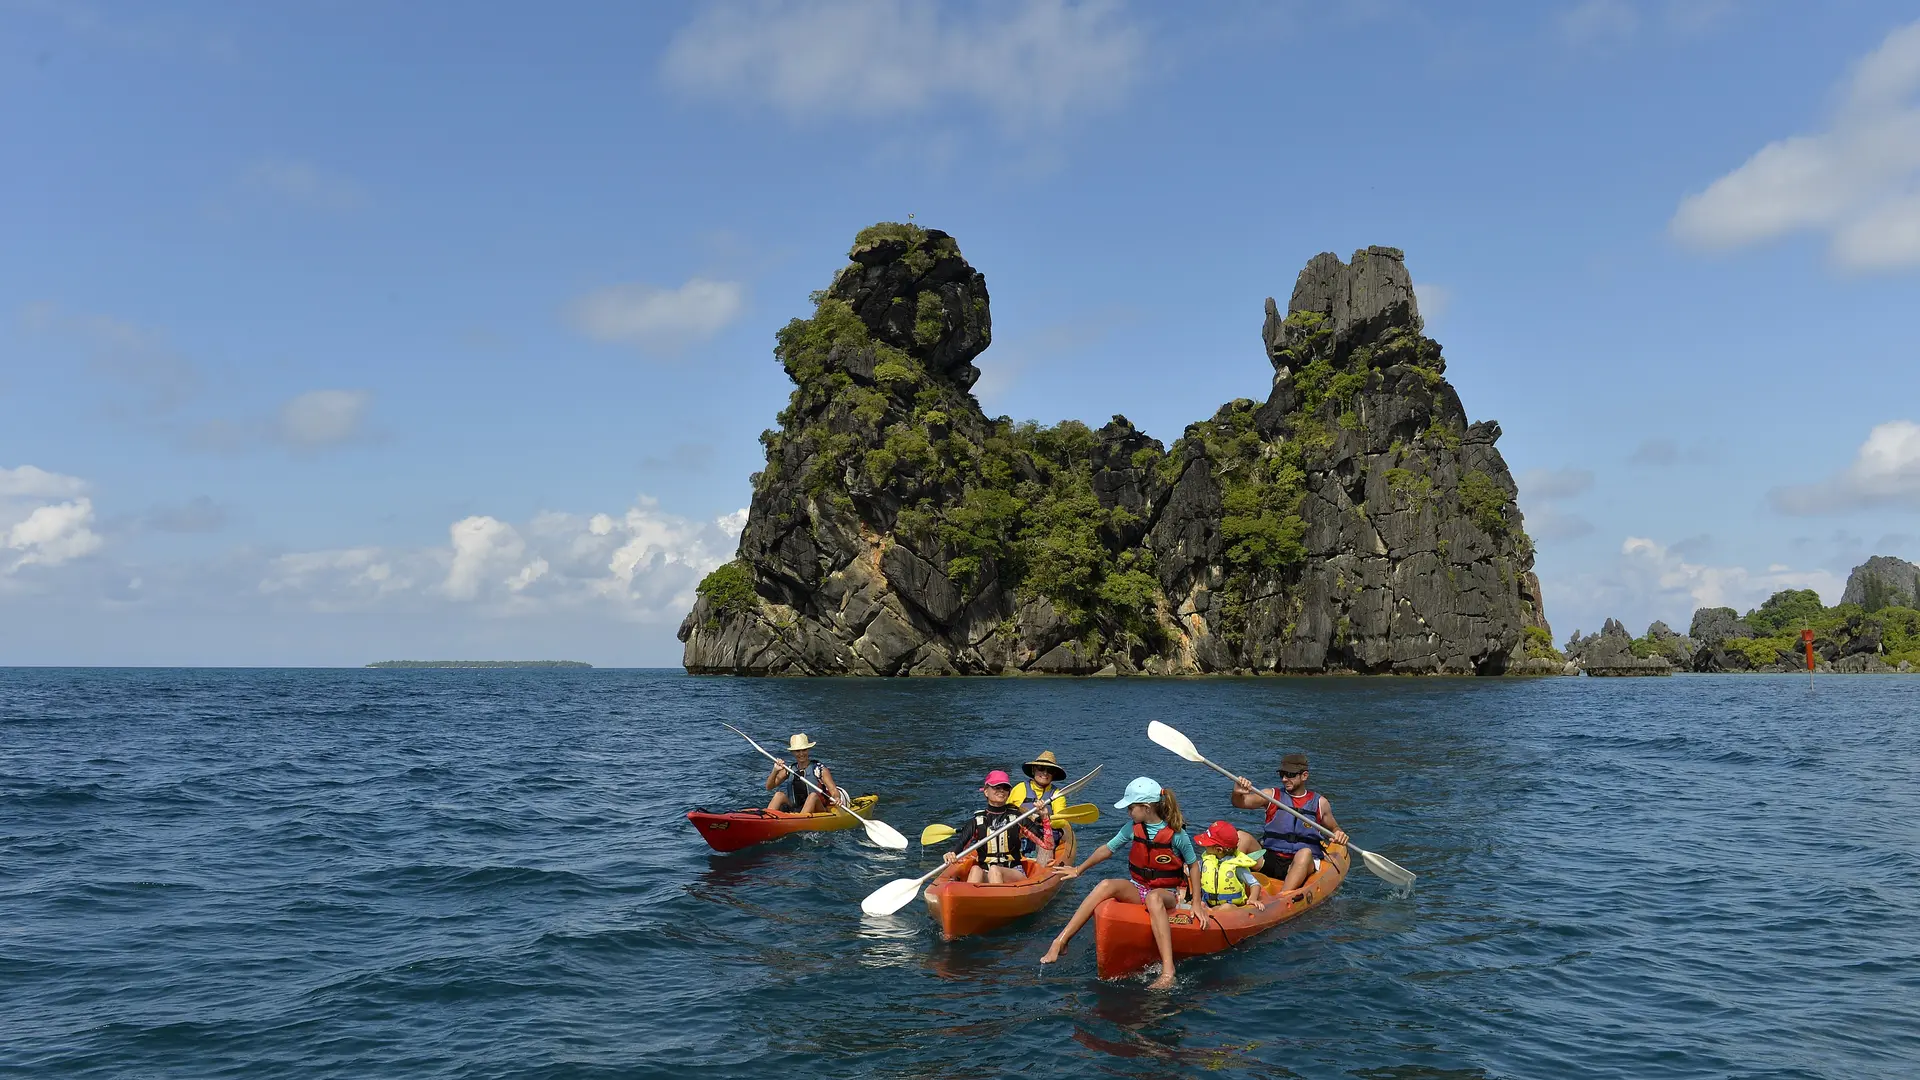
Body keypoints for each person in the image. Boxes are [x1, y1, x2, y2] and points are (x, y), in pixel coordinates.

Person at [1040, 777, 1202, 990]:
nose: (1128, 812)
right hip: (1139, 887)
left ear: (1146, 807)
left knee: (1154, 898)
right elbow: (1107, 849)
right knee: (1107, 884)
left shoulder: (1177, 834)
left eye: (1131, 807)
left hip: (1167, 893)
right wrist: (1078, 869)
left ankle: (1168, 972)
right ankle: (1061, 941)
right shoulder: (1132, 828)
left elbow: (1193, 866)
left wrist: (1197, 903)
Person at [1231, 752, 1349, 900]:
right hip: (1271, 858)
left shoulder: (1320, 803)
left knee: (1305, 853)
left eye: (1290, 775)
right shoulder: (1271, 796)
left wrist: (1339, 834)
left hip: (1301, 864)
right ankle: (1228, 887)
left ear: (1304, 776)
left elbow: (1334, 829)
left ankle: (1281, 899)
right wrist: (1237, 792)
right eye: (1282, 774)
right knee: (1241, 837)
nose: (1285, 779)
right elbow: (1240, 803)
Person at [944, 771, 1050, 884]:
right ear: (986, 791)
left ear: (1009, 793)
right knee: (975, 870)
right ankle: (971, 899)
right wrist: (951, 853)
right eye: (996, 787)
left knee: (995, 870)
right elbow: (961, 843)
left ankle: (997, 899)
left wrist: (1045, 817)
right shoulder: (977, 821)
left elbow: (1048, 844)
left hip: (1014, 872)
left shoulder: (1018, 818)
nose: (1001, 790)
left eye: (1005, 788)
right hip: (986, 871)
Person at [1195, 820, 1266, 912]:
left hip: (1231, 906)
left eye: (1208, 844)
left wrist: (1252, 899)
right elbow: (1193, 870)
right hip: (1208, 903)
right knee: (1197, 903)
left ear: (1219, 850)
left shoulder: (1237, 866)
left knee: (1226, 907)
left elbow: (1255, 884)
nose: (1204, 846)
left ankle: (1211, 913)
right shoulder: (1206, 861)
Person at [1016, 750, 1069, 866]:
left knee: (1045, 844)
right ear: (1034, 770)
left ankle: (1040, 869)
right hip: (1021, 834)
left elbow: (1061, 821)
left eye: (1049, 770)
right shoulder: (1020, 788)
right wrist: (1031, 816)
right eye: (1041, 768)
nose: (1045, 773)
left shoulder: (1057, 795)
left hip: (1045, 836)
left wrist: (1043, 818)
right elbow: (1009, 810)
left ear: (1053, 774)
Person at [765, 733, 838, 813]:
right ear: (793, 752)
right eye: (797, 751)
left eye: (804, 750)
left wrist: (837, 798)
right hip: (796, 809)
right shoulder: (790, 770)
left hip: (817, 810)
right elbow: (769, 787)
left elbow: (833, 790)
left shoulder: (820, 770)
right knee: (778, 795)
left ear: (808, 750)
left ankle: (799, 821)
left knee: (812, 796)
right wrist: (775, 771)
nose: (801, 754)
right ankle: (767, 818)